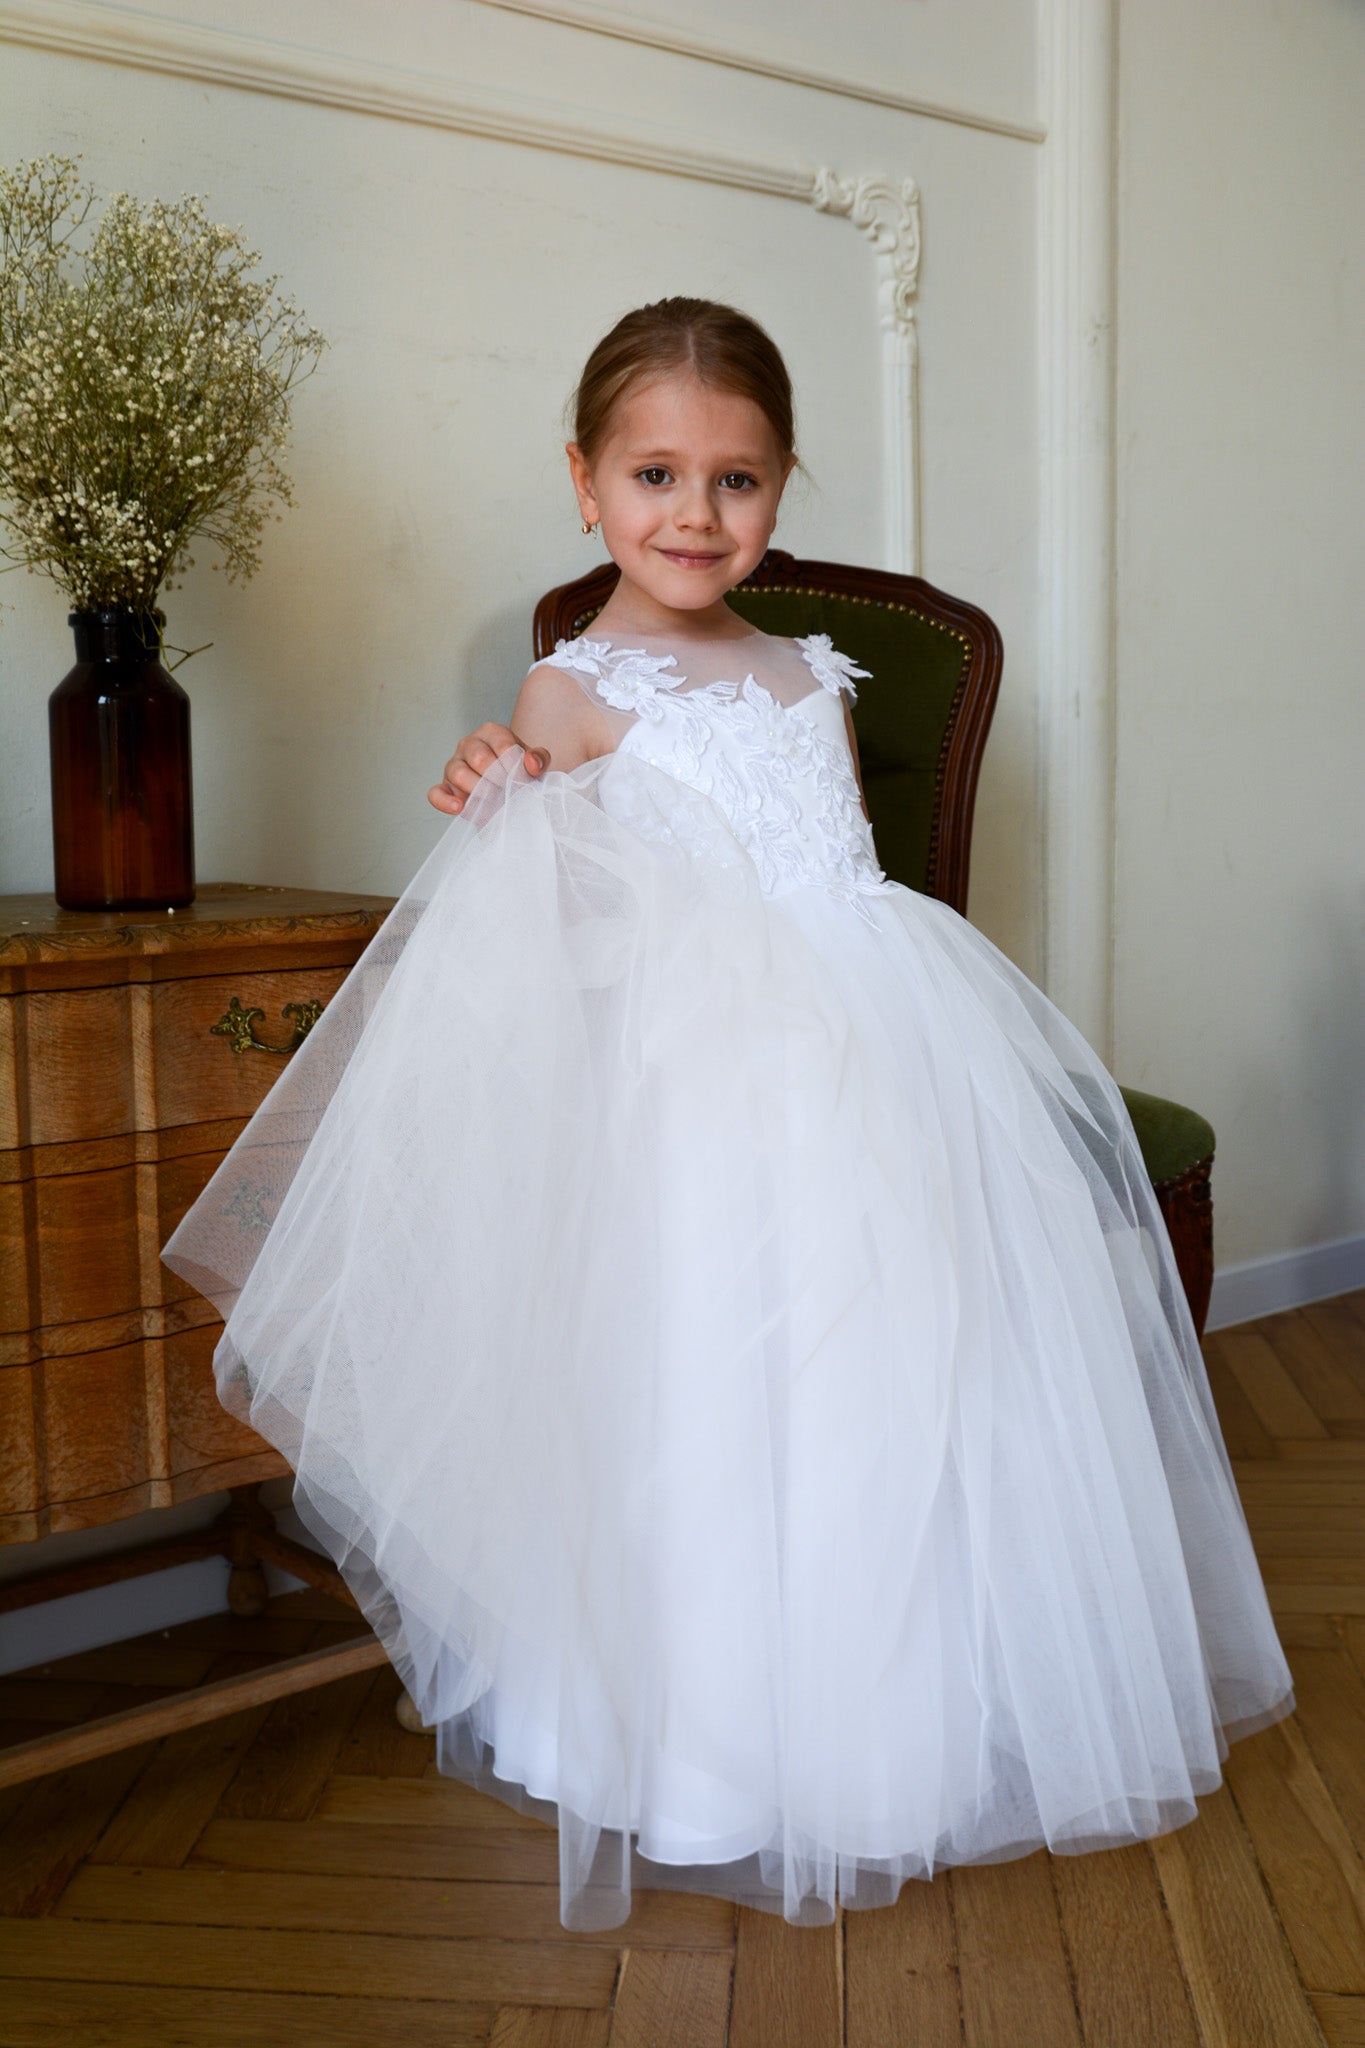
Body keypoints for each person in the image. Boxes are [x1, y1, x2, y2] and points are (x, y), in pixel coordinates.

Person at [163, 295, 1295, 1934]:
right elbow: (543, 929)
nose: (695, 517)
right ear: (584, 482)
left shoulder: (807, 674)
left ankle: (889, 1738)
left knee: (896, 1380)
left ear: (781, 488)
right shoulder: (566, 692)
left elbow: (833, 880)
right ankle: (699, 1750)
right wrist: (501, 792)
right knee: (703, 1395)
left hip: (877, 1062)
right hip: (691, 1099)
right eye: (655, 476)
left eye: (739, 480)